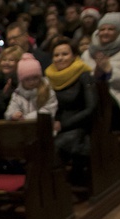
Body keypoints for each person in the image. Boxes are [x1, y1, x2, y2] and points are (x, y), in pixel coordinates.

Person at [45, 37, 97, 186]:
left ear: (74, 56)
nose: (60, 58)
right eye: (56, 55)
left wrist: (64, 125)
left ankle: (59, 188)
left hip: (80, 124)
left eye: (64, 54)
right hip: (56, 125)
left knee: (56, 147)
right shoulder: (49, 77)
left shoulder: (84, 75)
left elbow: (91, 108)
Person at [81, 12, 120, 135]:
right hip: (95, 102)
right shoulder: (88, 53)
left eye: (110, 29)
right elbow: (82, 82)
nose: (105, 32)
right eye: (102, 29)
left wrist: (110, 71)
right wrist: (96, 75)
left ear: (118, 31)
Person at [5, 53, 58, 121]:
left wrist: (26, 118)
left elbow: (48, 111)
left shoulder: (47, 91)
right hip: (23, 129)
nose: (32, 82)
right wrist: (14, 114)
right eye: (27, 79)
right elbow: (11, 108)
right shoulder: (17, 94)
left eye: (35, 78)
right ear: (22, 80)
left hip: (43, 127)